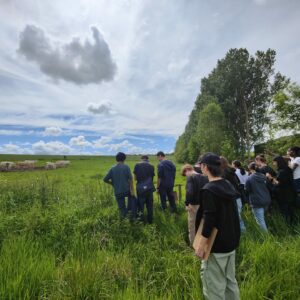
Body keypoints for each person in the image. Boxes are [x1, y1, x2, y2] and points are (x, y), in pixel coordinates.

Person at [195, 153, 240, 300]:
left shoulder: (209, 189)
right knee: (230, 282)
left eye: (201, 165)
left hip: (216, 246)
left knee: (214, 288)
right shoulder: (227, 184)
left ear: (205, 167)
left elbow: (209, 220)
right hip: (231, 242)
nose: (200, 168)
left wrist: (201, 246)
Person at [181, 164, 208, 245]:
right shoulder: (204, 177)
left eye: (185, 174)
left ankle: (193, 245)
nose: (186, 176)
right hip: (204, 204)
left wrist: (187, 204)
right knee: (202, 225)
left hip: (194, 205)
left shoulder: (191, 177)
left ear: (186, 170)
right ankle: (202, 244)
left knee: (192, 226)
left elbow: (189, 192)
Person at [103, 152, 136, 219]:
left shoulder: (112, 168)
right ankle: (131, 216)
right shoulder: (126, 167)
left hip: (118, 192)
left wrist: (112, 184)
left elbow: (105, 179)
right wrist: (132, 190)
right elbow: (131, 179)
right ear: (124, 159)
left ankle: (124, 220)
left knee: (122, 208)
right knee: (132, 201)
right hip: (127, 190)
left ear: (116, 159)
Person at [266, 156, 295, 224]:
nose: (273, 164)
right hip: (290, 192)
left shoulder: (282, 171)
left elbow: (279, 183)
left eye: (274, 162)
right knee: (290, 211)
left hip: (284, 194)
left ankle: (288, 227)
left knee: (285, 212)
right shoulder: (288, 169)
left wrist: (270, 178)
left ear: (278, 162)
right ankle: (293, 225)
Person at [220, 157, 246, 232]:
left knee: (236, 217)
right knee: (238, 216)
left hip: (231, 196)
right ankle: (241, 232)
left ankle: (243, 232)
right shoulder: (232, 170)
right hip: (237, 195)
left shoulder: (223, 173)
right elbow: (238, 182)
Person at [245, 163, 271, 232]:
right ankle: (268, 230)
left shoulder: (249, 178)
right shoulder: (264, 176)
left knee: (260, 221)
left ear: (250, 169)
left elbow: (247, 190)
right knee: (263, 219)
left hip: (257, 201)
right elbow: (268, 186)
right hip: (266, 200)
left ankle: (266, 238)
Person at [133, 155, 155, 224]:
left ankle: (141, 221)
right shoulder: (152, 166)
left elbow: (135, 178)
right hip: (149, 188)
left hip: (140, 188)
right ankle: (150, 221)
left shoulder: (137, 165)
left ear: (141, 159)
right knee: (150, 205)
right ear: (147, 159)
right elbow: (152, 178)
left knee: (140, 206)